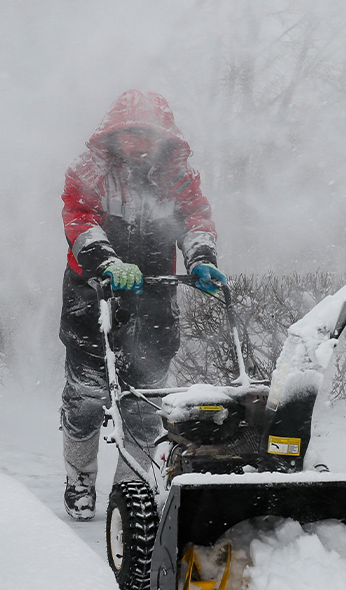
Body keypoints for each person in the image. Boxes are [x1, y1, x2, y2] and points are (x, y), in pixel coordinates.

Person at [58, 90, 227, 520]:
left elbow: (195, 218)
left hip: (154, 296)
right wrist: (107, 260)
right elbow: (79, 218)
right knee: (87, 396)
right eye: (131, 132)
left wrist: (201, 257)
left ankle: (129, 488)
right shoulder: (89, 171)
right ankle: (79, 476)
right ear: (114, 134)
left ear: (163, 136)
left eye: (147, 133)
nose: (139, 142)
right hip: (92, 294)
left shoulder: (177, 176)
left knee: (145, 400)